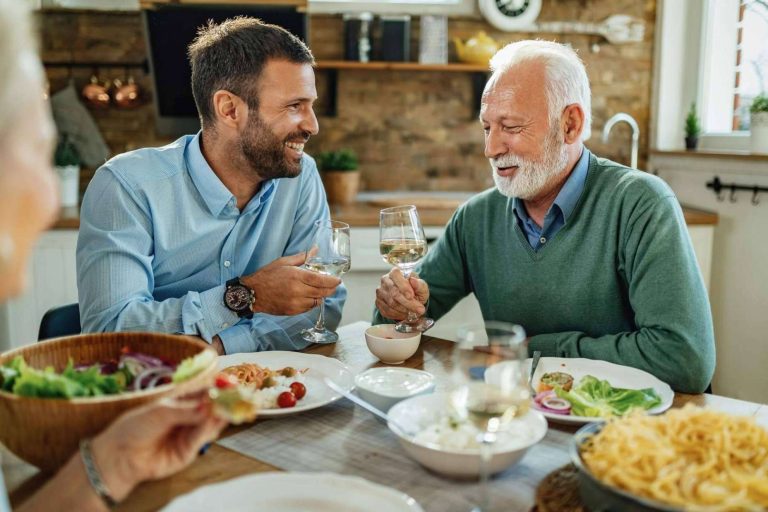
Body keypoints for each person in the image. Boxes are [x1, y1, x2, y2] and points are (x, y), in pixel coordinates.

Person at [374, 40, 715, 393]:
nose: (491, 149)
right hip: (520, 421)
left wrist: (536, 351)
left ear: (570, 124)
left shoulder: (642, 203)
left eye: (511, 127)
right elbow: (395, 325)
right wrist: (396, 307)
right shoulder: (475, 219)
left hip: (628, 428)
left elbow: (685, 360)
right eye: (487, 128)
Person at [0, 2, 225, 511]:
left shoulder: (299, 184)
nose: (49, 186)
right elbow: (110, 328)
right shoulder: (128, 184)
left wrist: (118, 459)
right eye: (41, 147)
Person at [77, 17, 344, 355]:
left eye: (311, 105)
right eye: (295, 106)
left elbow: (323, 303)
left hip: (272, 392)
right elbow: (109, 330)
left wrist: (221, 345)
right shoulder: (127, 187)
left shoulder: (301, 176)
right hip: (158, 393)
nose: (312, 125)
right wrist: (245, 297)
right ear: (229, 109)